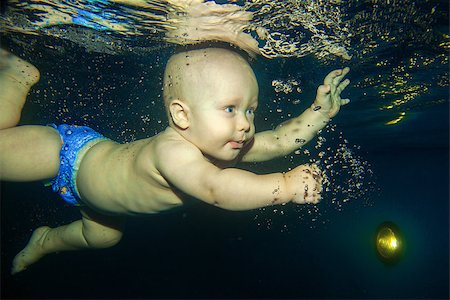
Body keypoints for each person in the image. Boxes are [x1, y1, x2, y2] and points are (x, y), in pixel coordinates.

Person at [0, 46, 350, 274]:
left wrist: (319, 112)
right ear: (182, 115)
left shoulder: (226, 143)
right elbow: (216, 188)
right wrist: (284, 186)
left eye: (250, 110)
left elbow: (277, 141)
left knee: (104, 238)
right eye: (230, 108)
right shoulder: (173, 153)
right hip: (66, 156)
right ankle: (17, 77)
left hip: (100, 207)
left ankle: (44, 242)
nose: (245, 123)